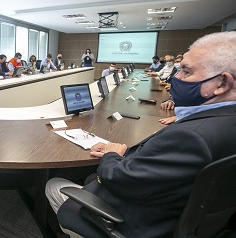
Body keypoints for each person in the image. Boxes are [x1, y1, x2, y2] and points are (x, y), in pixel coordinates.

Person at [45, 31, 236, 238]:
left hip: (134, 222)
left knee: (53, 184)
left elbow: (119, 179)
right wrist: (126, 152)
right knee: (90, 175)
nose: (175, 79)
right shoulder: (223, 122)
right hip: (177, 213)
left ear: (222, 83)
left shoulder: (192, 137)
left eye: (186, 71)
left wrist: (113, 155)